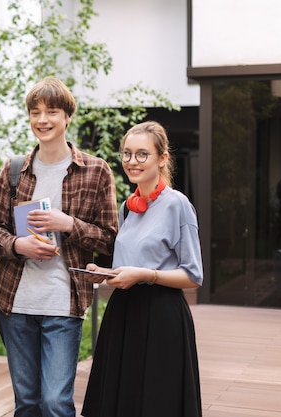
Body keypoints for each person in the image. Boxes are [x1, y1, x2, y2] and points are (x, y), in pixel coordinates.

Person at [0, 76, 118, 417]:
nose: (42, 119)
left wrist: (68, 224)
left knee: (56, 403)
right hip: (15, 304)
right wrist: (19, 246)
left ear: (67, 117)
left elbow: (109, 237)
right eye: (35, 112)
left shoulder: (96, 171)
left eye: (52, 111)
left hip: (64, 302)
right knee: (27, 404)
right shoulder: (14, 170)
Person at [81, 120, 203, 417]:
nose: (132, 162)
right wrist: (106, 272)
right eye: (126, 154)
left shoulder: (178, 205)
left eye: (141, 154)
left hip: (162, 317)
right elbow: (128, 264)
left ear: (162, 159)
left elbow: (193, 276)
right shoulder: (127, 207)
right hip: (123, 313)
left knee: (156, 402)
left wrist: (147, 275)